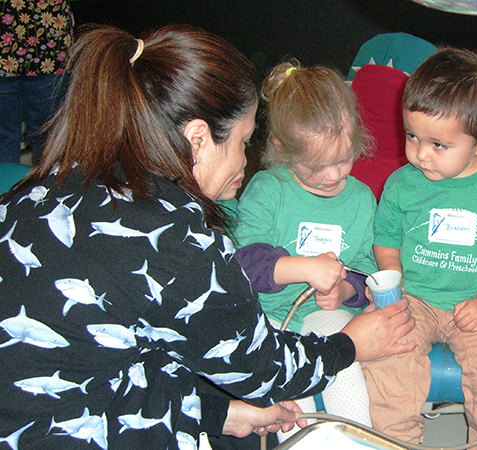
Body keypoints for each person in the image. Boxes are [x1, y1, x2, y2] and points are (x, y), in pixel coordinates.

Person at [0, 24, 416, 449]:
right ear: (197, 138)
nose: (244, 161)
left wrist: (219, 412)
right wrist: (349, 345)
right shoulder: (176, 240)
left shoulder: (51, 184)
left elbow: (113, 356)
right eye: (242, 141)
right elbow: (265, 368)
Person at [361, 47, 477, 450]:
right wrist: (394, 280)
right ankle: (394, 443)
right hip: (415, 299)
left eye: (438, 145)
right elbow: (386, 238)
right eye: (412, 136)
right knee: (389, 358)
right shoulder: (403, 183)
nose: (420, 153)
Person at [232, 60, 376, 435]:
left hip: (322, 318)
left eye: (344, 159)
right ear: (282, 148)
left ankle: (356, 439)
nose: (332, 175)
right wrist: (303, 268)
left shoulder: (361, 200)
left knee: (346, 376)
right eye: (317, 165)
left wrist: (347, 289)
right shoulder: (267, 189)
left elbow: (364, 268)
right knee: (295, 415)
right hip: (267, 320)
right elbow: (244, 263)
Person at [0, 0, 73, 164]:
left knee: (44, 137)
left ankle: (9, 189)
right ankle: (42, 187)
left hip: (48, 50)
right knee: (47, 137)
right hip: (48, 48)